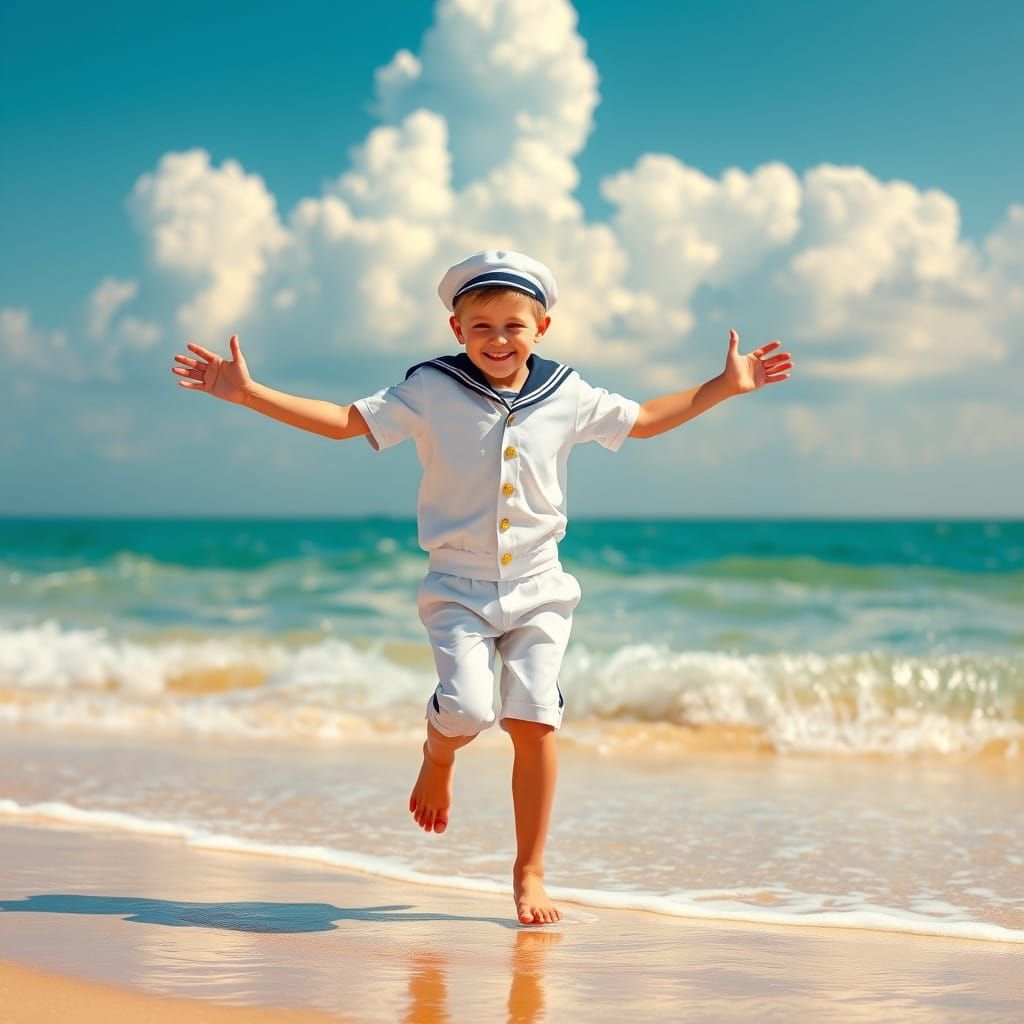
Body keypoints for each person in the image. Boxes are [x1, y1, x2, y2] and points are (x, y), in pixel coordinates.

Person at [170, 250, 793, 926]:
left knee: (534, 718)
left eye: (514, 326)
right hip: (457, 587)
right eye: (482, 327)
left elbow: (642, 419)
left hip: (540, 586)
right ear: (456, 329)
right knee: (467, 711)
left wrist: (724, 386)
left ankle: (530, 871)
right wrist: (249, 393)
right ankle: (437, 754)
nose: (498, 340)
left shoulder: (567, 392)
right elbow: (347, 421)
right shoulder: (431, 388)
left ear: (542, 328)